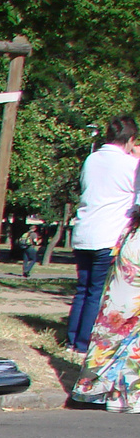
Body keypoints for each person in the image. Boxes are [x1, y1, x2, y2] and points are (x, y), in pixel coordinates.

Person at [66, 114, 140, 354]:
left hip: (83, 232)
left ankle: (71, 339)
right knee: (97, 291)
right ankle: (83, 343)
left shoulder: (91, 159)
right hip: (108, 236)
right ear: (130, 140)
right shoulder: (131, 166)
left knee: (83, 288)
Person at [71, 211, 140, 411]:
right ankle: (126, 397)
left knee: (111, 335)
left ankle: (96, 390)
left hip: (122, 283)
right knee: (131, 339)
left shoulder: (130, 229)